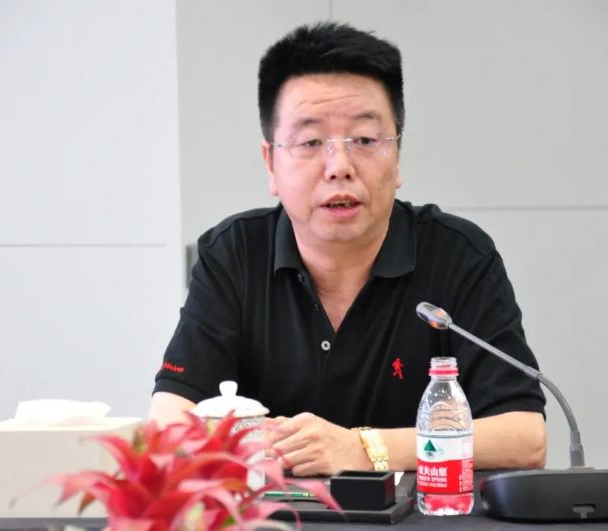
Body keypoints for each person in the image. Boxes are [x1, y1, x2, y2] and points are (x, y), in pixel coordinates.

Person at [149, 22, 546, 476]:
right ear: (271, 163)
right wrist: (261, 449)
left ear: (398, 156)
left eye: (365, 140)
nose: (339, 166)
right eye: (311, 142)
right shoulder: (233, 254)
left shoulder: (459, 255)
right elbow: (168, 424)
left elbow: (524, 437)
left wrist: (361, 448)